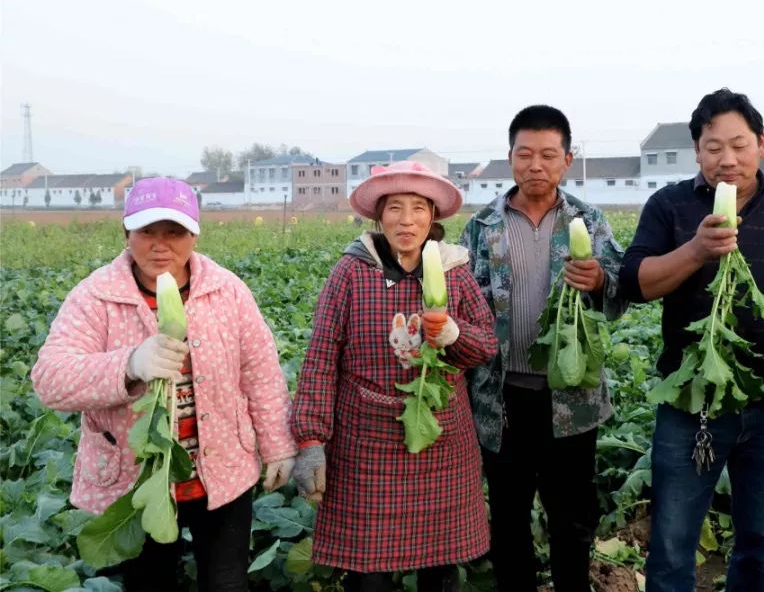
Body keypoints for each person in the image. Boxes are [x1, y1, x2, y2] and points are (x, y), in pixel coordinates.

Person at [31, 177, 296, 592]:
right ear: (126, 234)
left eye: (173, 232)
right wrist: (130, 364)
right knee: (149, 583)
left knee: (226, 583)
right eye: (146, 232)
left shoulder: (227, 291)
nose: (160, 244)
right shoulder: (95, 297)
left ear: (193, 235)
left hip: (222, 472)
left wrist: (278, 444)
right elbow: (50, 379)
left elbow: (260, 371)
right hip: (137, 482)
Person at [619, 89, 764, 592]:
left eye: (739, 144)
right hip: (692, 402)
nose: (727, 159)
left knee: (762, 539)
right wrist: (695, 250)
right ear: (697, 151)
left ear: (761, 144)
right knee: (672, 542)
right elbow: (635, 282)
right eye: (713, 147)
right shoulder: (668, 205)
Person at [291, 161, 498, 592]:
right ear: (378, 216)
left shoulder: (453, 269)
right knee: (370, 577)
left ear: (433, 217)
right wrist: (310, 440)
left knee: (440, 569)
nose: (407, 220)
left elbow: (485, 346)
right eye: (395, 208)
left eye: (419, 208)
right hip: (365, 444)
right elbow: (321, 356)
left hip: (442, 440)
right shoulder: (351, 271)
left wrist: (453, 333)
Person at [459, 104, 627, 592]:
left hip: (571, 398)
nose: (536, 165)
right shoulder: (482, 226)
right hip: (500, 398)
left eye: (548, 155)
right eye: (525, 154)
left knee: (571, 520)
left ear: (567, 160)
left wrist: (599, 281)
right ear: (509, 157)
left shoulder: (589, 222)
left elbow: (619, 295)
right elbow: (464, 304)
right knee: (508, 518)